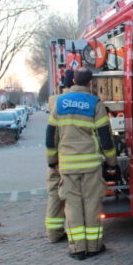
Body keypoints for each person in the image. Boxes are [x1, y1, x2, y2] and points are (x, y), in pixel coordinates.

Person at [46, 67, 117, 260]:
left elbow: (51, 136)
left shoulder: (59, 103)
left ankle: (77, 248)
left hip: (68, 166)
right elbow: (105, 137)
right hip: (91, 166)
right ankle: (94, 246)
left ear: (73, 81)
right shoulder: (95, 103)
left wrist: (52, 161)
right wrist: (112, 162)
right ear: (90, 82)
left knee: (72, 206)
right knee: (92, 204)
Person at [43, 71, 73, 243]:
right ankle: (77, 235)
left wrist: (51, 161)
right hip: (72, 158)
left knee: (55, 195)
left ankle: (53, 233)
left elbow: (50, 137)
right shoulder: (79, 101)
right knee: (74, 197)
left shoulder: (54, 101)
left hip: (57, 158)